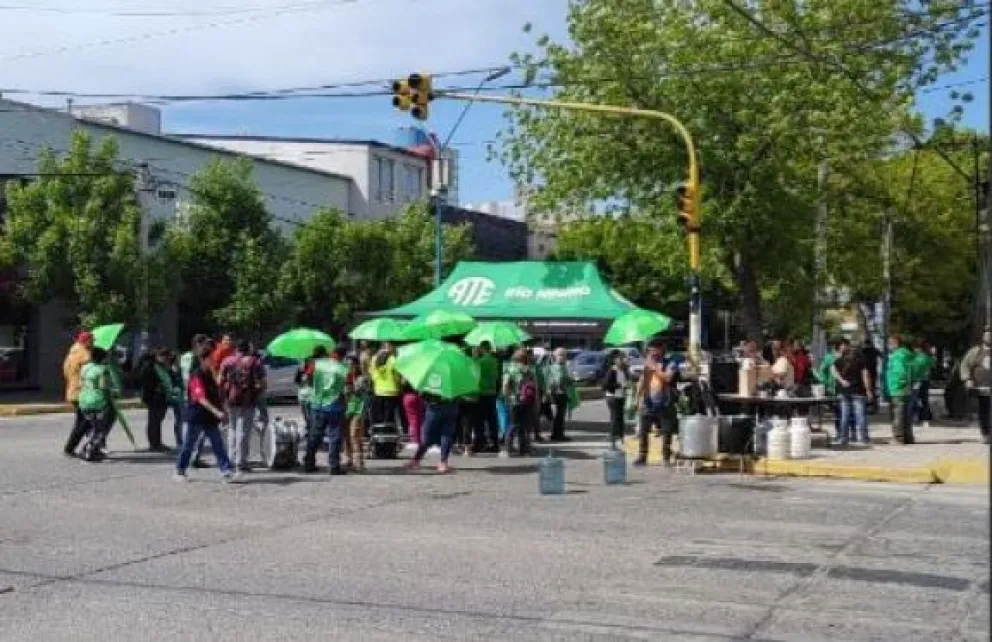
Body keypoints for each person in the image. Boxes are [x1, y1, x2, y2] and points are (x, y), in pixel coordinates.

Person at [175, 344, 233, 482]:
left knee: (218, 444)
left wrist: (223, 409)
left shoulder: (210, 374)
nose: (213, 360)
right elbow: (200, 398)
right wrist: (217, 412)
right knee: (188, 445)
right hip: (196, 416)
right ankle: (180, 471)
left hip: (209, 417)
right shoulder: (196, 375)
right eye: (210, 358)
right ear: (203, 359)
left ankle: (225, 470)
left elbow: (215, 395)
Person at [219, 340, 265, 475]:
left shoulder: (227, 361)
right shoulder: (255, 362)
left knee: (232, 429)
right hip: (248, 401)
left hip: (231, 399)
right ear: (249, 349)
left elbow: (220, 381)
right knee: (244, 431)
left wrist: (223, 399)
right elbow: (263, 383)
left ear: (236, 349)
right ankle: (241, 462)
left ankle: (230, 460)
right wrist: (258, 391)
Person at [303, 346, 347, 475]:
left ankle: (309, 463)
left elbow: (308, 379)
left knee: (315, 435)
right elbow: (348, 386)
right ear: (342, 356)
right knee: (334, 436)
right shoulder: (342, 367)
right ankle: (334, 466)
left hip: (317, 404)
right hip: (335, 405)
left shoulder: (316, 364)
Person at [635, 343, 678, 466]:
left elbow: (668, 378)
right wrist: (637, 398)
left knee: (666, 432)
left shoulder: (670, 364)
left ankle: (666, 457)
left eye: (654, 350)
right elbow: (642, 382)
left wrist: (655, 368)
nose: (651, 353)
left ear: (661, 351)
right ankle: (642, 456)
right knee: (643, 431)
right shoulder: (647, 365)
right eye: (650, 351)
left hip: (664, 402)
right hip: (648, 403)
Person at [77, 347, 119, 462]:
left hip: (84, 400)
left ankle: (91, 450)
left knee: (93, 426)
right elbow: (103, 387)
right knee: (101, 428)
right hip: (99, 401)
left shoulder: (85, 368)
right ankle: (89, 451)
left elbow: (80, 383)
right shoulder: (103, 370)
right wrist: (114, 393)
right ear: (103, 358)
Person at [831, 339, 873, 445]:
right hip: (858, 391)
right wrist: (868, 390)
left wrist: (842, 381)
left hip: (844, 391)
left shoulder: (840, 359)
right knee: (860, 415)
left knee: (845, 415)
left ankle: (844, 438)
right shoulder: (861, 360)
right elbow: (865, 376)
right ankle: (863, 438)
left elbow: (833, 370)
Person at [406, 392, 458, 473]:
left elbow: (423, 395)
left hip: (434, 407)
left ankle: (416, 460)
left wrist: (424, 399)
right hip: (451, 407)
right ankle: (443, 463)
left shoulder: (433, 383)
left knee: (427, 435)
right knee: (446, 435)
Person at [62, 330, 94, 456]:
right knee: (86, 421)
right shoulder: (85, 355)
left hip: (73, 390)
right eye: (92, 341)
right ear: (86, 341)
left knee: (82, 420)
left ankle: (78, 447)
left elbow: (65, 372)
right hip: (82, 391)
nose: (93, 343)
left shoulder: (71, 353)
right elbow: (91, 373)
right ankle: (70, 448)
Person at [502, 349, 537, 457]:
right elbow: (534, 386)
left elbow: (505, 386)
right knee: (524, 426)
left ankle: (508, 450)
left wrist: (507, 397)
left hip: (514, 401)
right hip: (527, 401)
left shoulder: (510, 370)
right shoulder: (529, 370)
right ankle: (524, 450)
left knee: (512, 425)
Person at [960, 328, 992, 444]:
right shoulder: (975, 351)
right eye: (987, 335)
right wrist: (967, 379)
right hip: (981, 388)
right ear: (983, 337)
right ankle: (986, 434)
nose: (989, 337)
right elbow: (965, 365)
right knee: (984, 411)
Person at [138, 348, 172, 452]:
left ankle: (158, 442)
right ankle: (153, 444)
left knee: (158, 421)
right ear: (157, 356)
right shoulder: (150, 366)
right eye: (164, 356)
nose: (166, 358)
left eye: (167, 356)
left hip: (162, 397)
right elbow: (146, 382)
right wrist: (157, 387)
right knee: (154, 421)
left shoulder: (162, 366)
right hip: (154, 397)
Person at [886, 334, 915, 445]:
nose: (888, 346)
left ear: (895, 344)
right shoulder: (906, 354)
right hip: (905, 389)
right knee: (905, 415)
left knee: (897, 414)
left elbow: (900, 372)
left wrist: (898, 384)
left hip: (897, 388)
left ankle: (898, 438)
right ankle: (908, 437)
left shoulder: (898, 355)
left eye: (889, 344)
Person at [474, 340, 502, 452]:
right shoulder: (495, 361)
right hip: (492, 392)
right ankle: (495, 443)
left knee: (479, 420)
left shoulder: (480, 361)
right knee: (492, 420)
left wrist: (475, 357)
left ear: (482, 348)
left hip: (481, 393)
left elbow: (475, 373)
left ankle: (480, 443)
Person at [343, 356, 368, 472]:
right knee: (346, 436)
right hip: (345, 409)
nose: (349, 367)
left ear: (357, 365)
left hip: (358, 409)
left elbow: (358, 390)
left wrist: (350, 382)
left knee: (355, 435)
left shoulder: (362, 378)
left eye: (351, 364)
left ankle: (359, 462)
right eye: (347, 364)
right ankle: (348, 459)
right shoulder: (343, 377)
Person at [369, 342, 401, 430]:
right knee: (389, 414)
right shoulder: (393, 359)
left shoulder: (374, 358)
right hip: (392, 390)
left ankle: (379, 430)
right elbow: (397, 377)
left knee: (380, 413)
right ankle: (387, 431)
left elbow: (371, 373)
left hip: (378, 390)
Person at [602, 350, 630, 449]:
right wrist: (619, 385)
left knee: (620, 418)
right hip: (612, 397)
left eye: (624, 358)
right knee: (615, 418)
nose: (623, 360)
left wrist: (626, 386)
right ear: (615, 360)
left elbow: (626, 381)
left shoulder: (624, 370)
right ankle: (613, 438)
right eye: (621, 358)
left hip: (621, 396)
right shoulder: (612, 371)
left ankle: (620, 437)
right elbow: (605, 386)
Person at [544, 347, 573, 442]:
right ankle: (556, 435)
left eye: (564, 355)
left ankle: (559, 434)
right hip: (556, 394)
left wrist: (569, 381)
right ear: (555, 356)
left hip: (562, 393)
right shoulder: (553, 368)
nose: (562, 357)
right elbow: (550, 381)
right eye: (560, 355)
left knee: (560, 415)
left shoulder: (564, 367)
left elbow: (568, 380)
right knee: (557, 415)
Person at [911, 340, 935, 430]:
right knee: (924, 400)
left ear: (918, 348)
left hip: (917, 380)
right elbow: (932, 364)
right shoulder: (928, 357)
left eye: (915, 348)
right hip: (925, 380)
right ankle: (925, 419)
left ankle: (915, 418)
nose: (914, 350)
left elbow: (915, 370)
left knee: (914, 400)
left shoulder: (917, 358)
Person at [860, 340, 881, 413]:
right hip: (873, 372)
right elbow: (881, 356)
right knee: (873, 389)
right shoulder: (875, 350)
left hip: (864, 371)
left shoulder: (863, 350)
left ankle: (866, 406)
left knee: (865, 389)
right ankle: (874, 407)